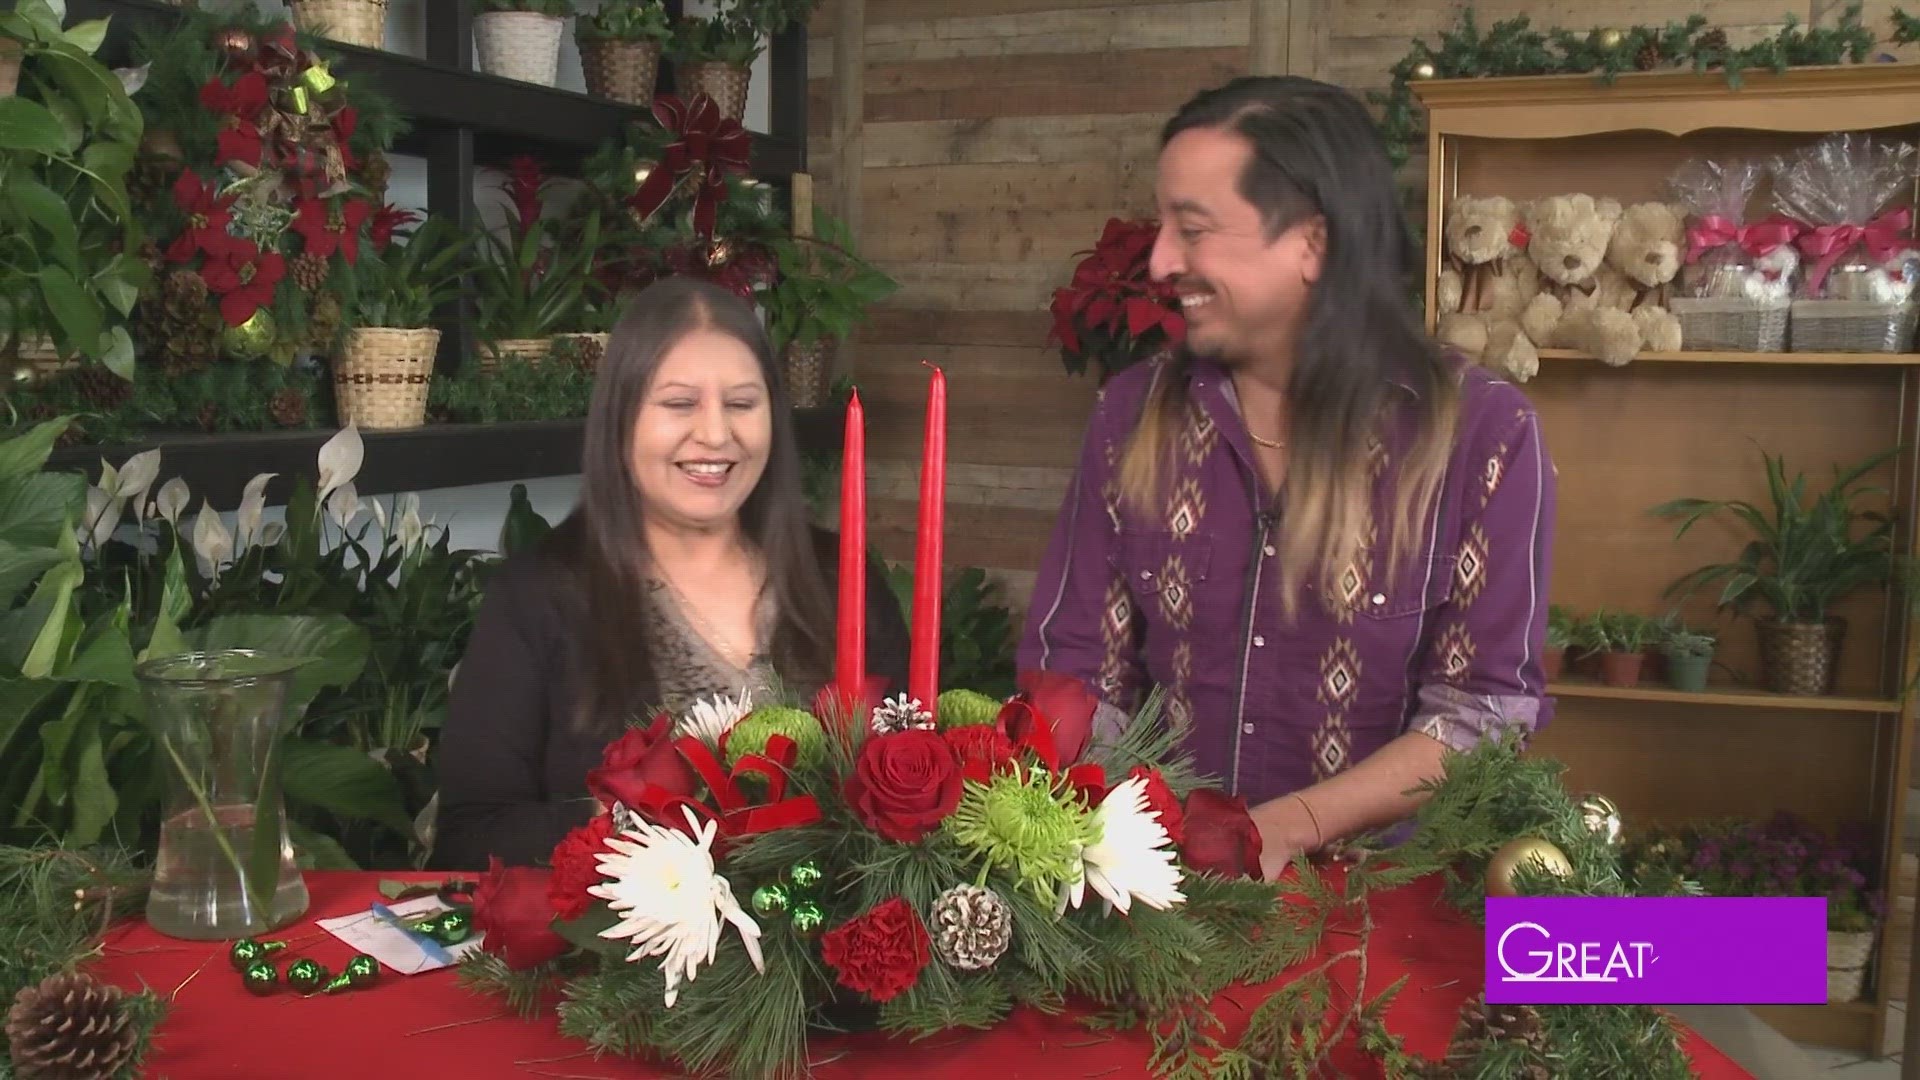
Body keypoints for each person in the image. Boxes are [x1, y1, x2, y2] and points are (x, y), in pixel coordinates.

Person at [1017, 75, 1557, 879]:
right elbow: (1076, 670)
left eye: (1193, 229)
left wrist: (1289, 828)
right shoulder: (1133, 415)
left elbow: (1483, 711)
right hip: (1156, 896)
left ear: (1312, 242)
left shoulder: (1481, 435)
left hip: (1381, 916)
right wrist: (1122, 848)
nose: (1162, 260)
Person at [429, 277, 909, 870]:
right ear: (621, 418)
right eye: (679, 403)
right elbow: (471, 836)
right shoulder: (540, 597)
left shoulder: (842, 581)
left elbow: (911, 788)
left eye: (741, 404)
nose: (714, 434)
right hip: (616, 958)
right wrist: (638, 822)